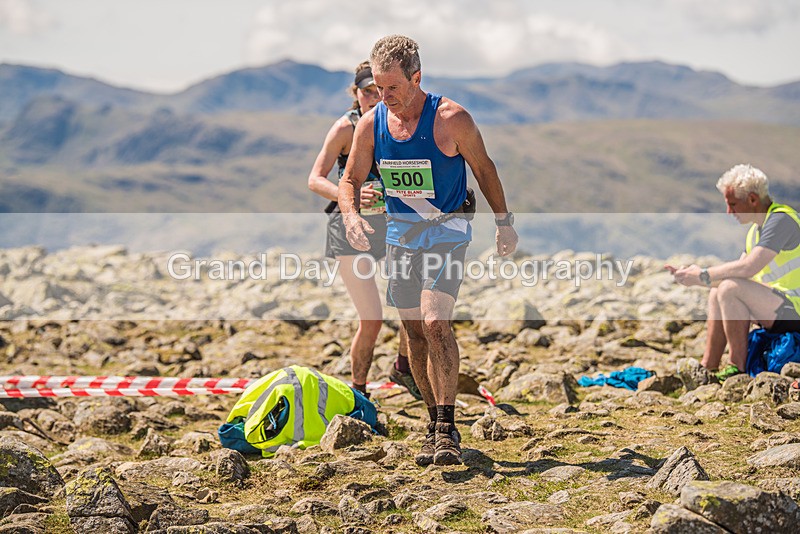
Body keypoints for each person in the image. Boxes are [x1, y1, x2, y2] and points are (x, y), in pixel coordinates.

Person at [338, 35, 518, 466]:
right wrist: (351, 216)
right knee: (415, 333)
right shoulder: (372, 124)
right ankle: (434, 421)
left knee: (436, 322)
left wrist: (504, 222)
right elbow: (348, 181)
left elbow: (485, 169)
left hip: (447, 232)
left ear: (417, 78)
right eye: (378, 89)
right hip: (401, 238)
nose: (384, 98)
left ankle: (449, 428)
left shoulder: (452, 119)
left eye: (393, 88)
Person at [308, 61, 420, 400]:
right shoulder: (345, 127)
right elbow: (315, 179)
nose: (374, 97)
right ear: (355, 94)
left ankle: (402, 368)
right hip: (349, 228)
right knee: (371, 318)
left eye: (380, 90)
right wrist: (352, 193)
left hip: (392, 226)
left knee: (412, 307)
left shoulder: (399, 124)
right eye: (366, 91)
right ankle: (359, 393)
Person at [668, 164, 800, 381]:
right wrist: (690, 277)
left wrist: (702, 274)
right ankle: (708, 367)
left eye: (733, 204)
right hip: (779, 306)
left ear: (752, 199)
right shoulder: (755, 232)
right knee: (720, 289)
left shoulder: (781, 220)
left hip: (795, 307)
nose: (729, 212)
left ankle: (736, 369)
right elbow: (736, 273)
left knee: (729, 288)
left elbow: (748, 267)